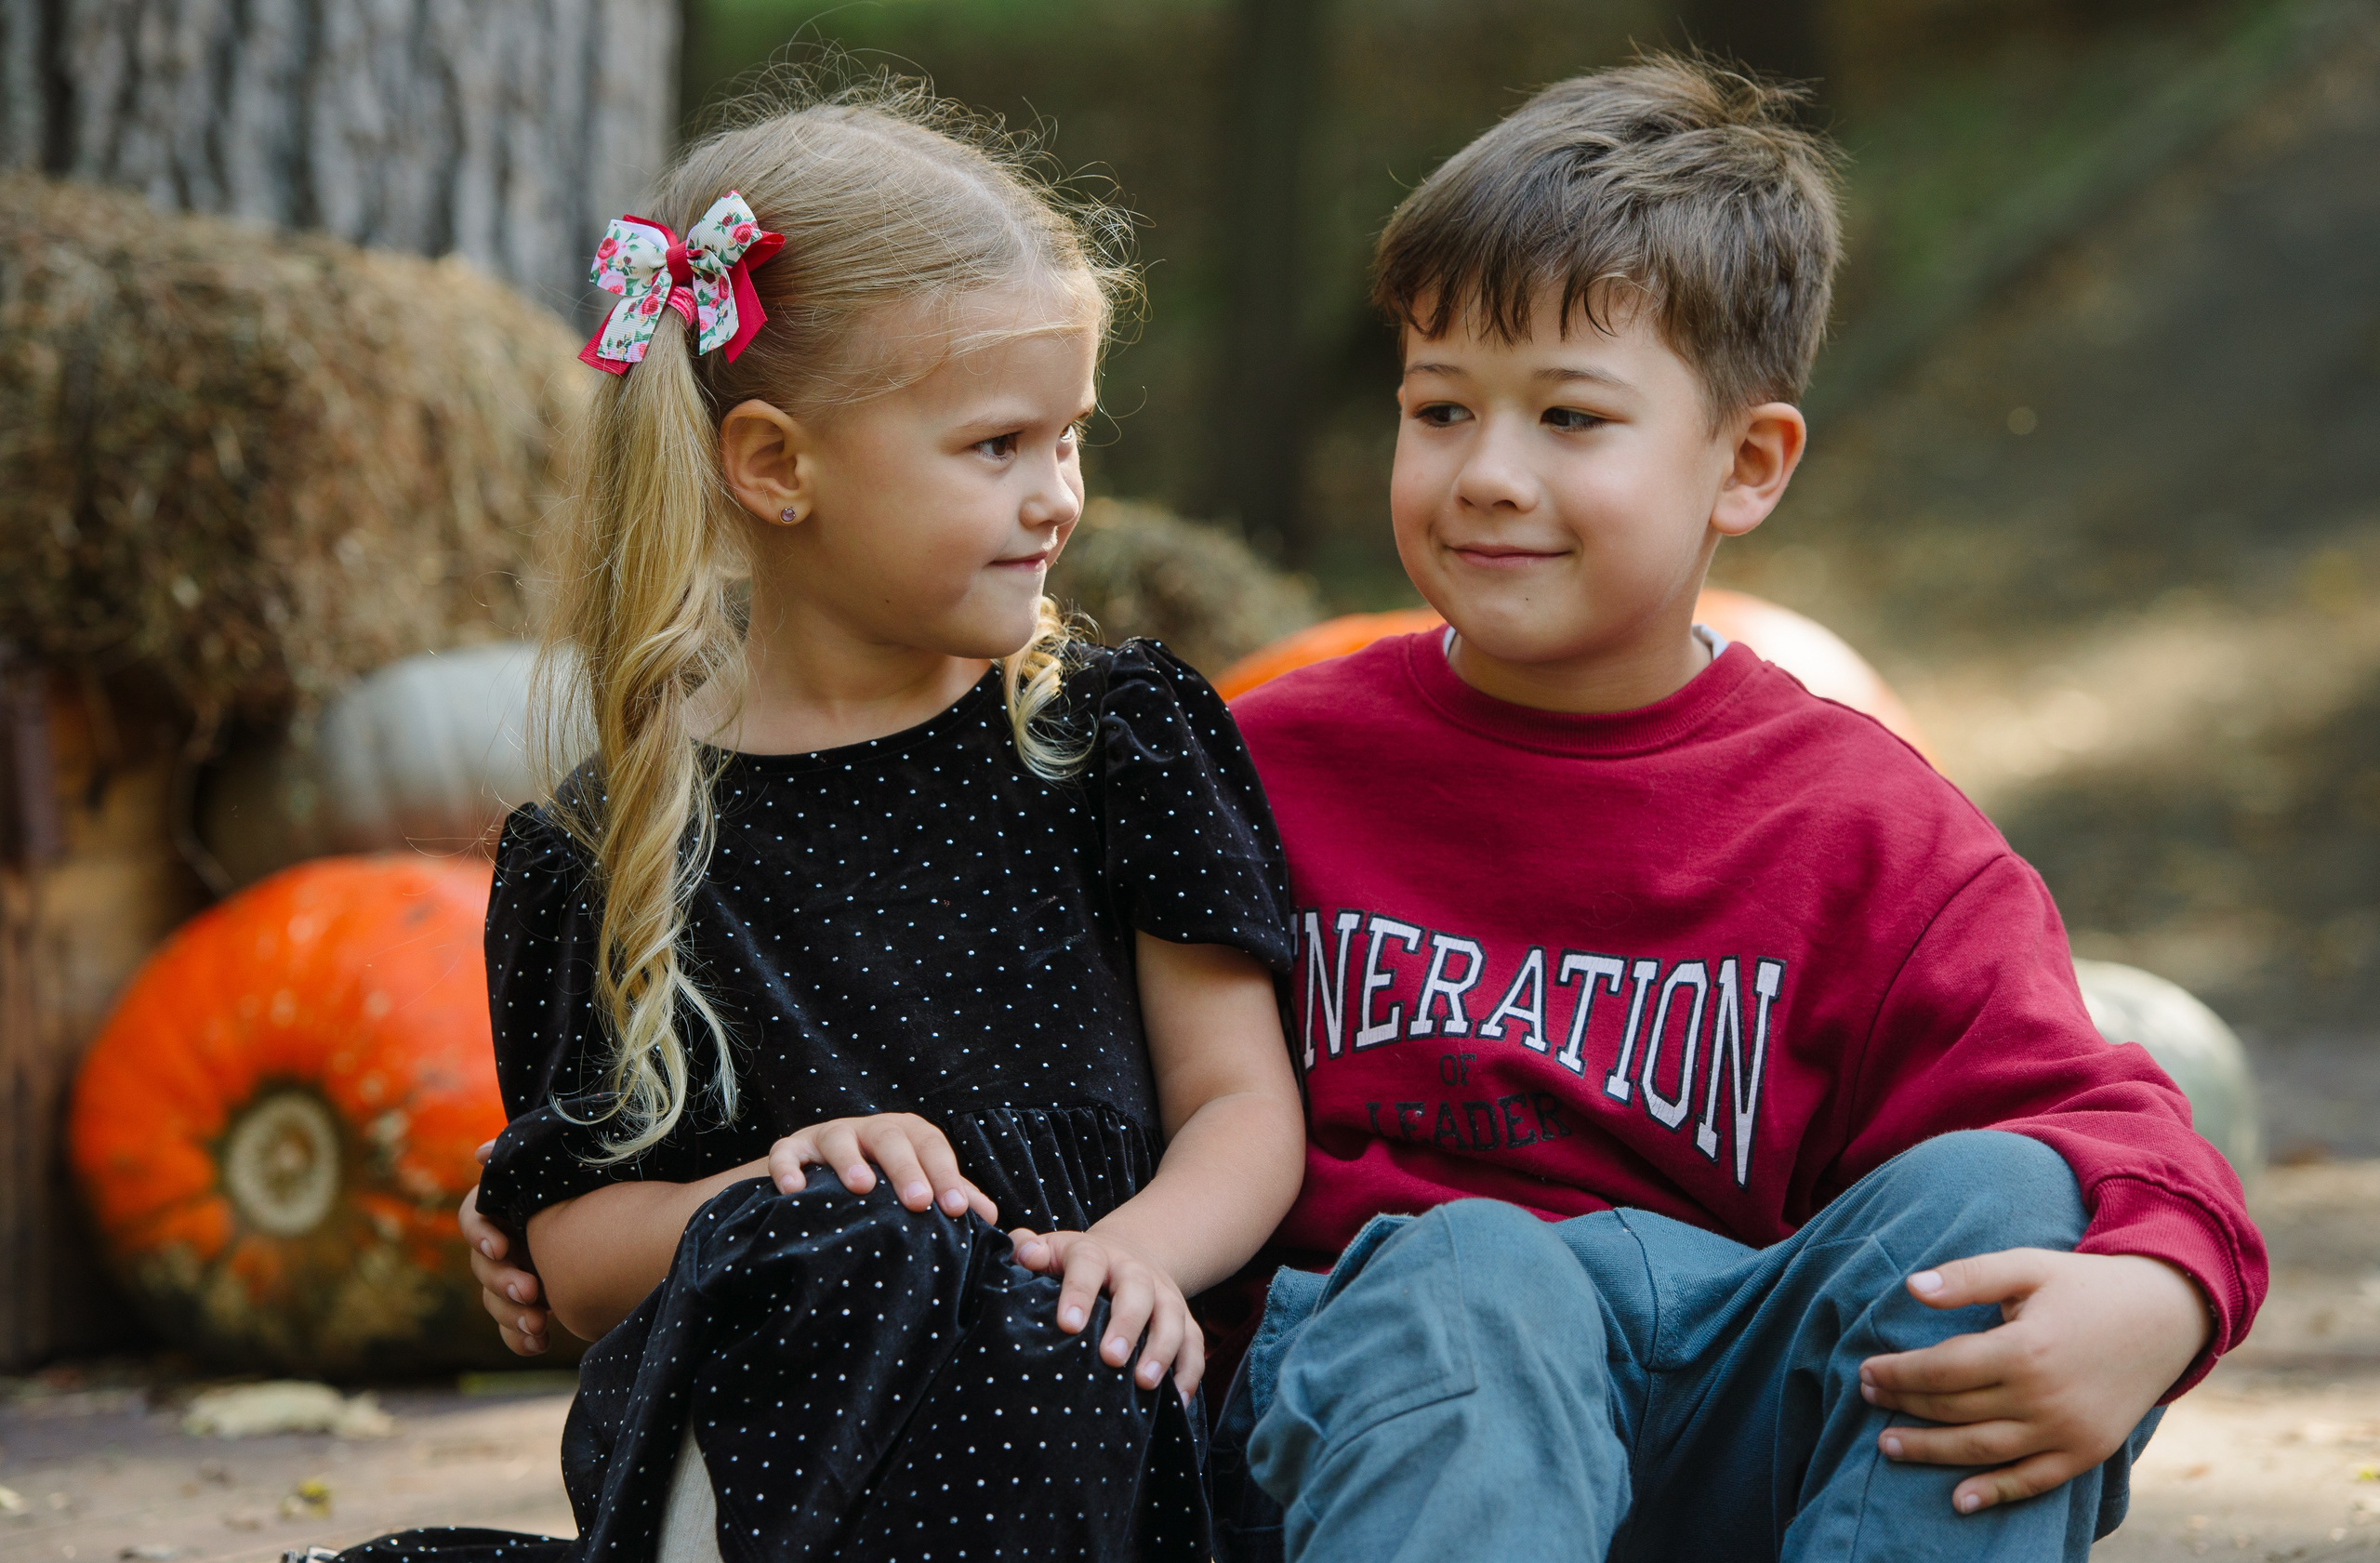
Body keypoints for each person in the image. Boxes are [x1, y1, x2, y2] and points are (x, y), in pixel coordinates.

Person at [1195, 57, 2267, 1563]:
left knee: (2008, 1187)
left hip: (1722, 1417)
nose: (1486, 473)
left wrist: (2162, 1295)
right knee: (1476, 1267)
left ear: (1745, 467)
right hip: (1375, 1425)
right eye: (1440, 410)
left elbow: (2102, 1117)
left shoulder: (1863, 824)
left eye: (1570, 417)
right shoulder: (1260, 767)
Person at [360, 77, 1305, 1563]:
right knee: (865, 1247)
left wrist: (1131, 1258)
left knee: (1023, 1332)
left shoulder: (1108, 741)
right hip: (764, 1438)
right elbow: (574, 1250)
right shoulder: (613, 846)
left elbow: (1244, 1107)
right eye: (996, 447)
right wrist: (778, 1179)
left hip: (1084, 1377)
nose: (1058, 496)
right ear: (776, 466)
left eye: (1069, 437)